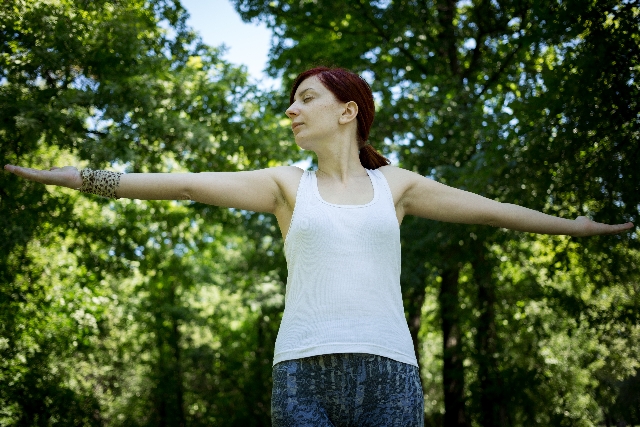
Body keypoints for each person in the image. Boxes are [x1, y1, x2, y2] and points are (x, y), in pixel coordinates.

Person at [4, 67, 633, 426]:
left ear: (349, 111)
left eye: (306, 98)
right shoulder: (284, 185)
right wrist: (75, 177)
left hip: (390, 375)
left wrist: (573, 226)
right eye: (291, 101)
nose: (291, 109)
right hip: (301, 374)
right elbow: (183, 183)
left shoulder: (398, 186)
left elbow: (495, 214)